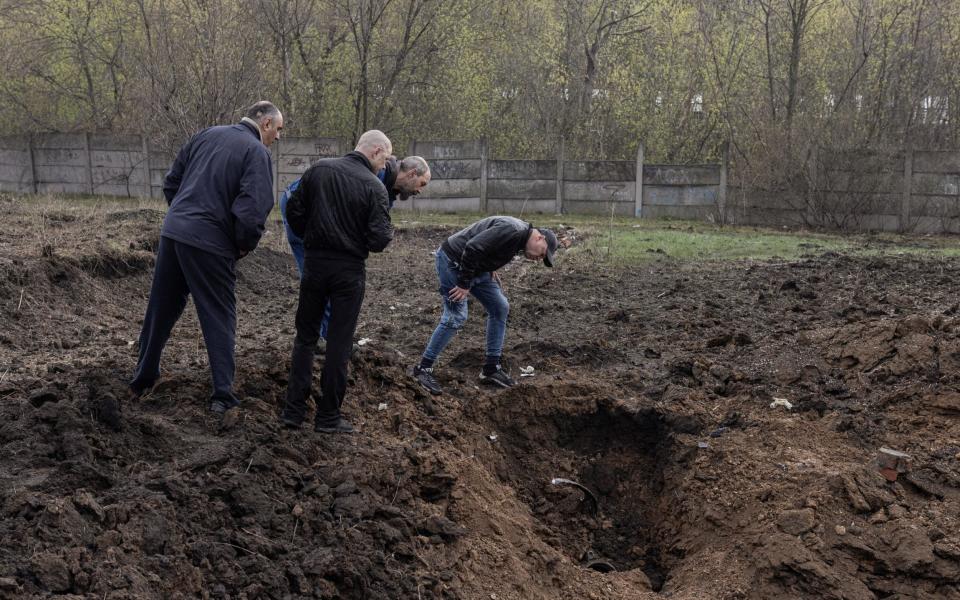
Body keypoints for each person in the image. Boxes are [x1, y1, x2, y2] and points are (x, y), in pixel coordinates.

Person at [122, 101, 282, 428]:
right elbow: (254, 209)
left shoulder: (206, 135)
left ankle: (143, 377)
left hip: (174, 233)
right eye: (278, 130)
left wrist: (183, 217)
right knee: (218, 313)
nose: (278, 137)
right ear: (265, 123)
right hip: (211, 242)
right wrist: (240, 246)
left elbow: (172, 182)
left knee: (161, 307)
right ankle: (223, 394)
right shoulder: (256, 153)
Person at [280, 130, 394, 434]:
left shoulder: (318, 170)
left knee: (305, 337)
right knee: (339, 344)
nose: (385, 166)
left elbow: (293, 211)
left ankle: (293, 411)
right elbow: (380, 240)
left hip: (315, 264)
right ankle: (328, 417)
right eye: (385, 158)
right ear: (375, 151)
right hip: (349, 270)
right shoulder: (375, 188)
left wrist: (311, 236)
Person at [278, 155, 430, 340]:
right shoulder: (375, 177)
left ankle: (329, 337)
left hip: (318, 215)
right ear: (412, 173)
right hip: (301, 208)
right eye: (422, 184)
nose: (420, 191)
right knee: (320, 276)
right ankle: (322, 339)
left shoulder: (386, 186)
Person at [411, 216, 558, 396]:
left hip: (477, 268)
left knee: (500, 307)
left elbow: (489, 244)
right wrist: (464, 284)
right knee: (456, 316)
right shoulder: (513, 230)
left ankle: (491, 369)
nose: (538, 259)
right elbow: (473, 247)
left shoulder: (519, 238)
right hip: (454, 262)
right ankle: (423, 369)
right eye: (542, 253)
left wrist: (490, 266)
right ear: (540, 238)